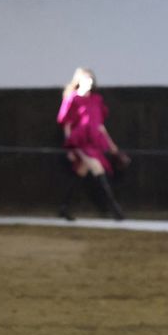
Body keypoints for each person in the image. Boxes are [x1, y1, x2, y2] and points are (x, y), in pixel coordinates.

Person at [57, 68, 126, 221]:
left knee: (80, 172)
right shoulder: (72, 99)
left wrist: (111, 144)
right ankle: (115, 209)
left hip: (94, 142)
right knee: (97, 168)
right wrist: (69, 148)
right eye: (86, 79)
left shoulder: (96, 100)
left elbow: (100, 125)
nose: (89, 82)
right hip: (80, 142)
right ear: (79, 81)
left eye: (91, 79)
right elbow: (67, 124)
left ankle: (64, 207)